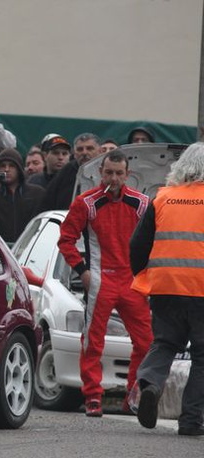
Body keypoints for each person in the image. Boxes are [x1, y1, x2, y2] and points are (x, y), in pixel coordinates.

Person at [58, 149, 153, 417]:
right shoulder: (86, 203)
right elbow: (66, 239)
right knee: (92, 342)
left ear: (128, 175)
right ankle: (92, 397)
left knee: (146, 343)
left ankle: (132, 397)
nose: (113, 178)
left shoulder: (142, 203)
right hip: (100, 279)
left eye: (119, 173)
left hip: (132, 281)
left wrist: (149, 275)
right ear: (100, 173)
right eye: (108, 172)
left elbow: (152, 243)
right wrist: (83, 271)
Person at [130, 142, 204, 435]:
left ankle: (150, 384)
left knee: (164, 343)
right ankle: (190, 421)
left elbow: (138, 245)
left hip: (164, 286)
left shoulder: (162, 198)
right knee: (202, 356)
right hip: (201, 290)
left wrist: (145, 276)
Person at [0, 148, 44, 244]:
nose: (7, 169)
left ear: (19, 169)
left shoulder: (37, 193)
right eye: (3, 166)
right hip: (1, 251)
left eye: (12, 166)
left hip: (30, 250)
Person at [39, 133, 101, 212]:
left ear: (100, 151)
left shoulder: (109, 171)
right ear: (74, 154)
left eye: (89, 148)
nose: (84, 153)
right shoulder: (65, 173)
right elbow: (46, 204)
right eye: (80, 149)